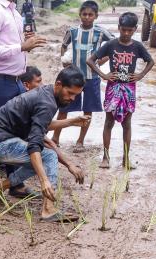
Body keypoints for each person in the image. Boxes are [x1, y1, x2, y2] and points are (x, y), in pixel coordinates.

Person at [0, 68, 87, 221]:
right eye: (70, 93)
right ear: (58, 84)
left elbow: (42, 128)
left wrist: (70, 122)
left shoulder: (47, 94)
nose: (73, 98)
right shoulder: (47, 103)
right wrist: (44, 181)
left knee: (40, 159)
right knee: (46, 156)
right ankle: (48, 209)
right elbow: (35, 145)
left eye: (76, 94)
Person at [0, 0, 45, 198]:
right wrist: (21, 46)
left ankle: (15, 183)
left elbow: (9, 46)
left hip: (13, 81)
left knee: (17, 132)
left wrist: (24, 45)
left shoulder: (14, 13)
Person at [87, 11, 154, 170]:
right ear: (118, 28)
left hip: (129, 89)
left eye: (129, 30)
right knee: (109, 122)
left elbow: (151, 61)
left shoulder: (137, 46)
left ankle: (126, 159)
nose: (126, 33)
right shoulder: (111, 45)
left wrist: (140, 75)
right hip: (113, 88)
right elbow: (90, 60)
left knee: (127, 124)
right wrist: (104, 75)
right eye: (123, 29)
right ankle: (105, 157)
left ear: (135, 29)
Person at [51, 0, 112, 151]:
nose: (87, 17)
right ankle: (55, 138)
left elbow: (113, 46)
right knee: (64, 107)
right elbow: (64, 46)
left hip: (92, 78)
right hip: (73, 78)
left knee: (88, 110)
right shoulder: (72, 31)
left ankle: (80, 141)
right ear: (80, 15)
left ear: (96, 16)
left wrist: (101, 62)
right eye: (84, 14)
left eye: (90, 14)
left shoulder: (100, 32)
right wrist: (65, 62)